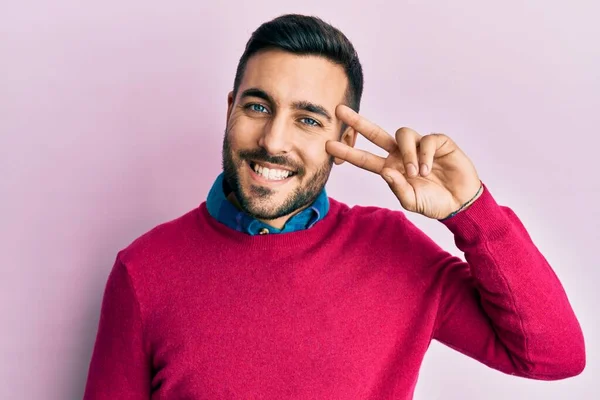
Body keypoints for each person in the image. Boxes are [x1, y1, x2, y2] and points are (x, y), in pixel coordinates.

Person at [83, 13, 586, 399]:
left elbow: (552, 357)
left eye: (308, 119)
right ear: (231, 107)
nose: (273, 140)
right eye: (258, 107)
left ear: (345, 137)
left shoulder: (393, 251)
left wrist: (471, 212)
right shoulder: (143, 269)